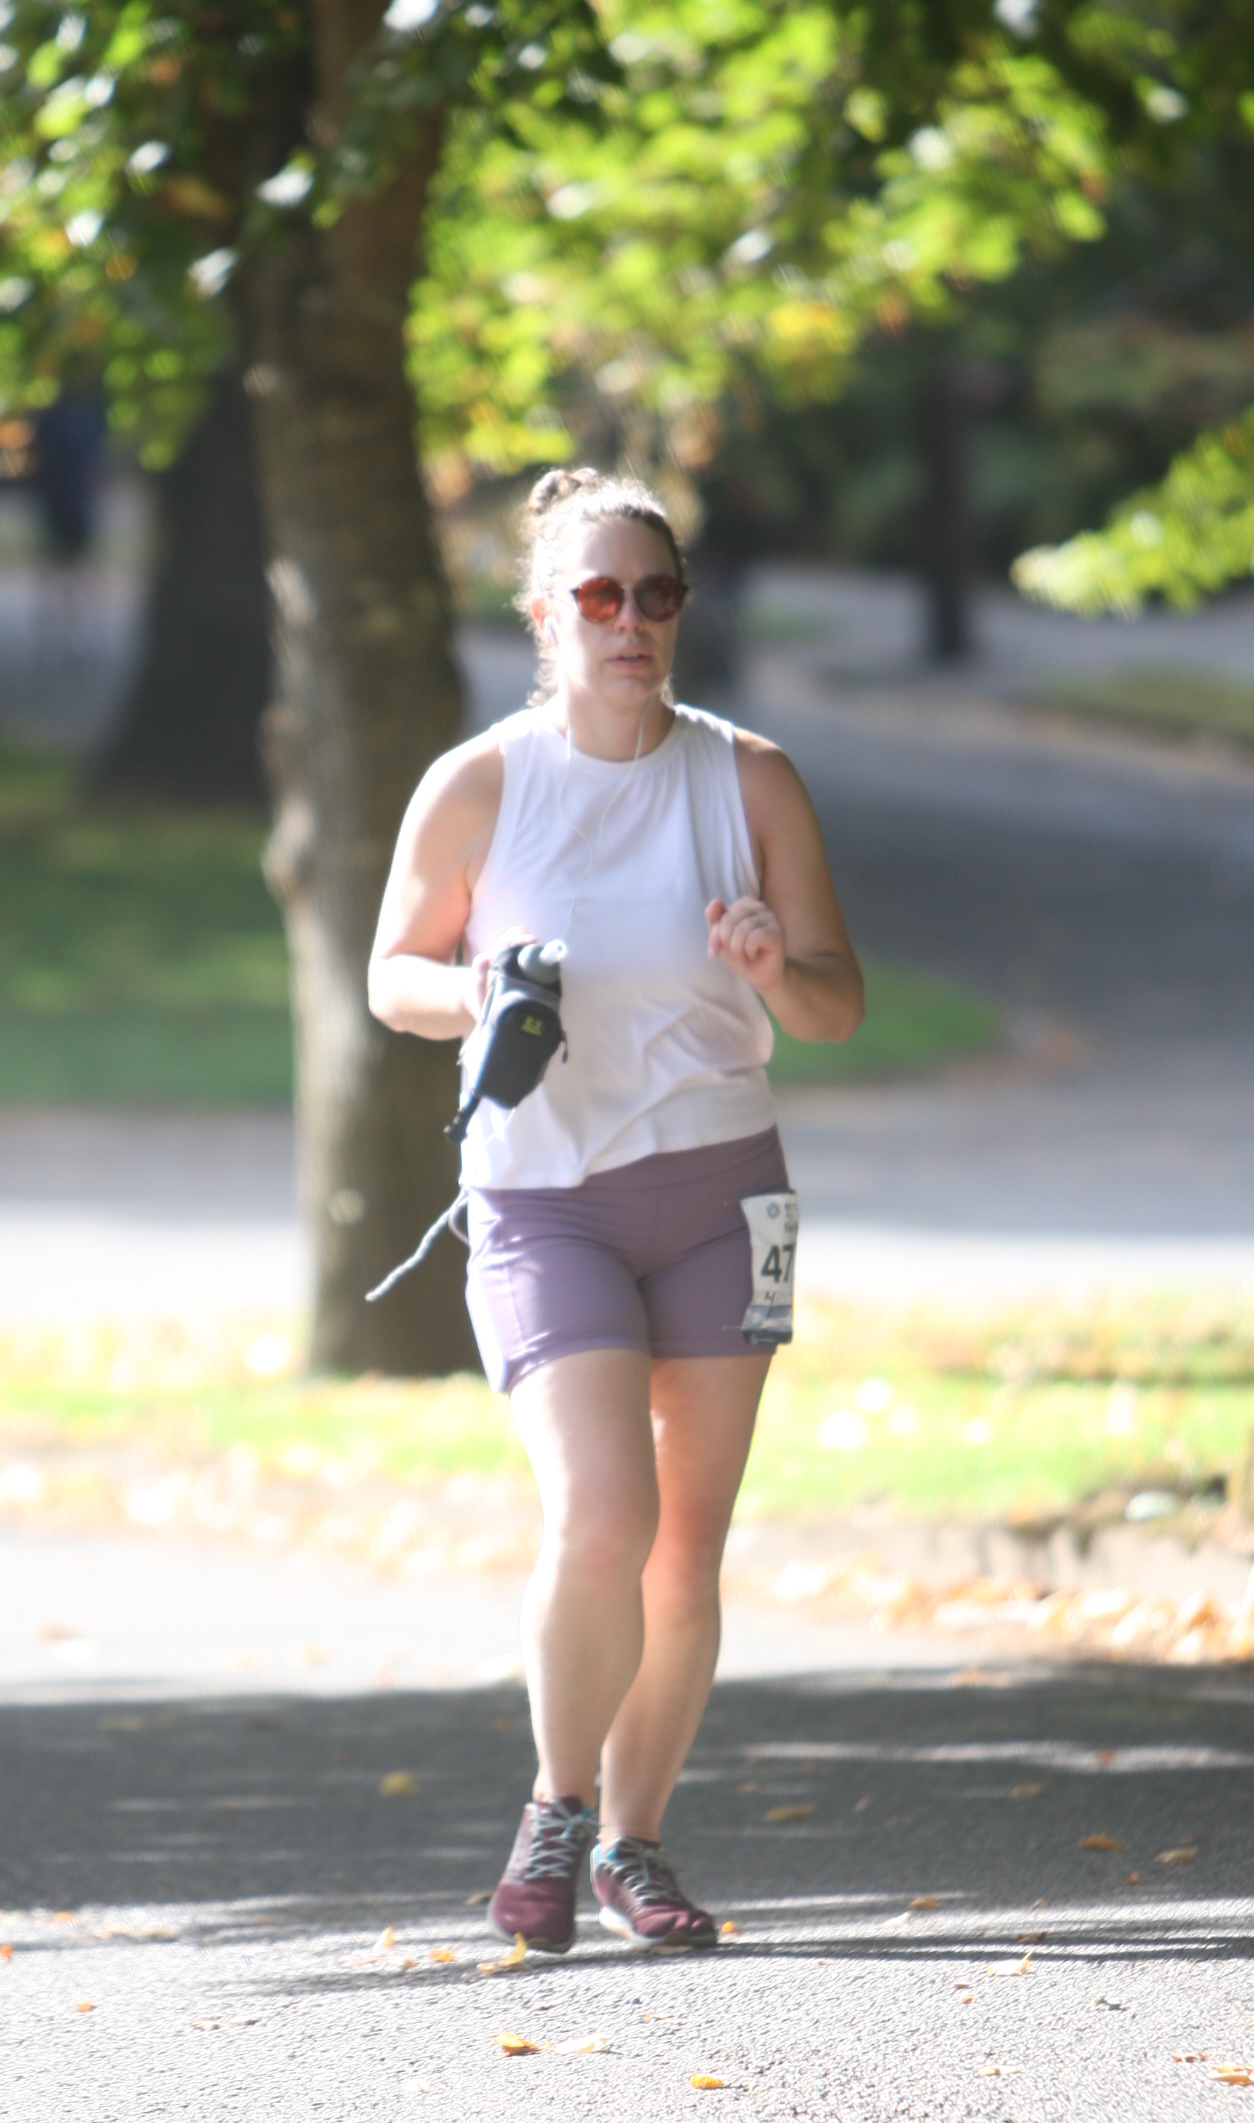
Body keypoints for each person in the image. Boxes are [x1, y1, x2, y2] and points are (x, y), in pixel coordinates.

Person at [368, 466, 862, 1953]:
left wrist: (774, 967)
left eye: (656, 595)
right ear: (545, 615)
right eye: (599, 595)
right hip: (543, 1202)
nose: (630, 621)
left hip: (721, 1192)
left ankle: (635, 1846)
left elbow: (837, 1006)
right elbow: (389, 974)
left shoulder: (749, 779)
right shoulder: (482, 784)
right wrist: (476, 992)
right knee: (601, 1511)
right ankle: (555, 1805)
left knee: (682, 1548)